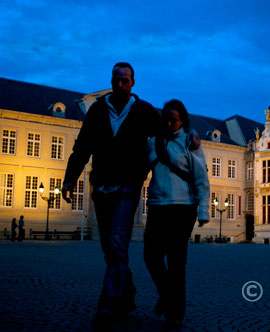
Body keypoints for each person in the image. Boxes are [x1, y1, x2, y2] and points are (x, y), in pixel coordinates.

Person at [61, 62, 163, 331]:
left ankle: (108, 306)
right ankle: (126, 293)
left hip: (129, 188)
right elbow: (82, 147)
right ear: (112, 80)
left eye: (125, 81)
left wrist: (148, 167)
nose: (120, 85)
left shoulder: (143, 111)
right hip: (102, 187)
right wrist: (70, 179)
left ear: (133, 83)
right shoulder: (97, 110)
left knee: (118, 244)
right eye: (116, 80)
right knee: (109, 248)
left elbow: (164, 137)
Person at [144, 99, 209, 331]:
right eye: (167, 119)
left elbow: (202, 179)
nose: (170, 123)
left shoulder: (190, 143)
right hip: (157, 207)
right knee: (150, 257)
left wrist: (203, 211)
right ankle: (166, 295)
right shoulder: (153, 142)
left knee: (176, 262)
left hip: (183, 208)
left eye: (174, 120)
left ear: (182, 121)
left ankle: (175, 313)